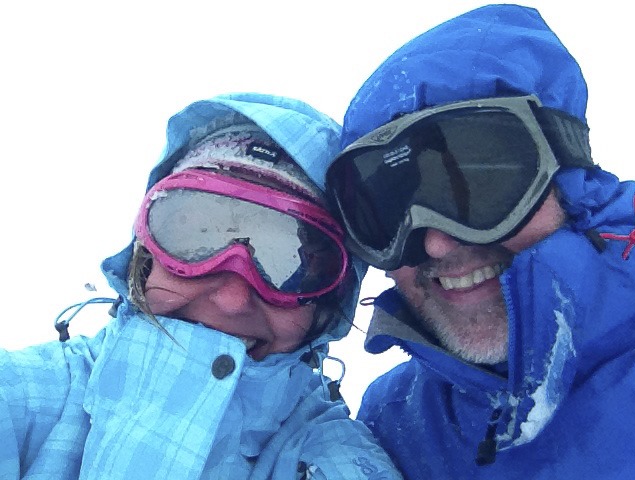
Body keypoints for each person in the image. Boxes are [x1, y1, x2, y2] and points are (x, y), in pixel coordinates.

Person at [0, 92, 404, 479]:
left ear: (329, 306)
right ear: (144, 257)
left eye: (291, 263)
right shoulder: (23, 398)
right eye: (197, 237)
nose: (232, 300)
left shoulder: (335, 457)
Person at [326, 4, 635, 479]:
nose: (437, 244)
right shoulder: (392, 424)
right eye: (391, 212)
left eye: (481, 190)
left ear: (569, 181)